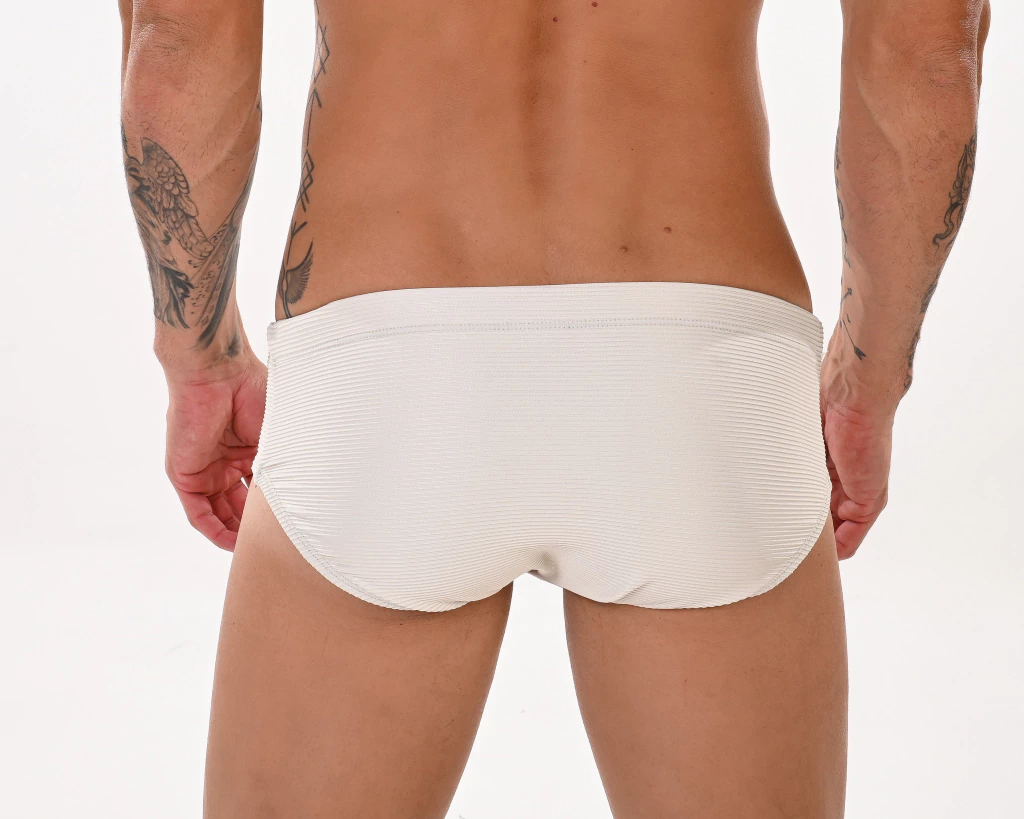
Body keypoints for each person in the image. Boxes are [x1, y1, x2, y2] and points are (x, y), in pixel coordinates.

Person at [118, 0, 990, 815]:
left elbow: (180, 41)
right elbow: (927, 58)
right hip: (699, 369)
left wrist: (199, 357)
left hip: (387, 364)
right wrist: (869, 380)